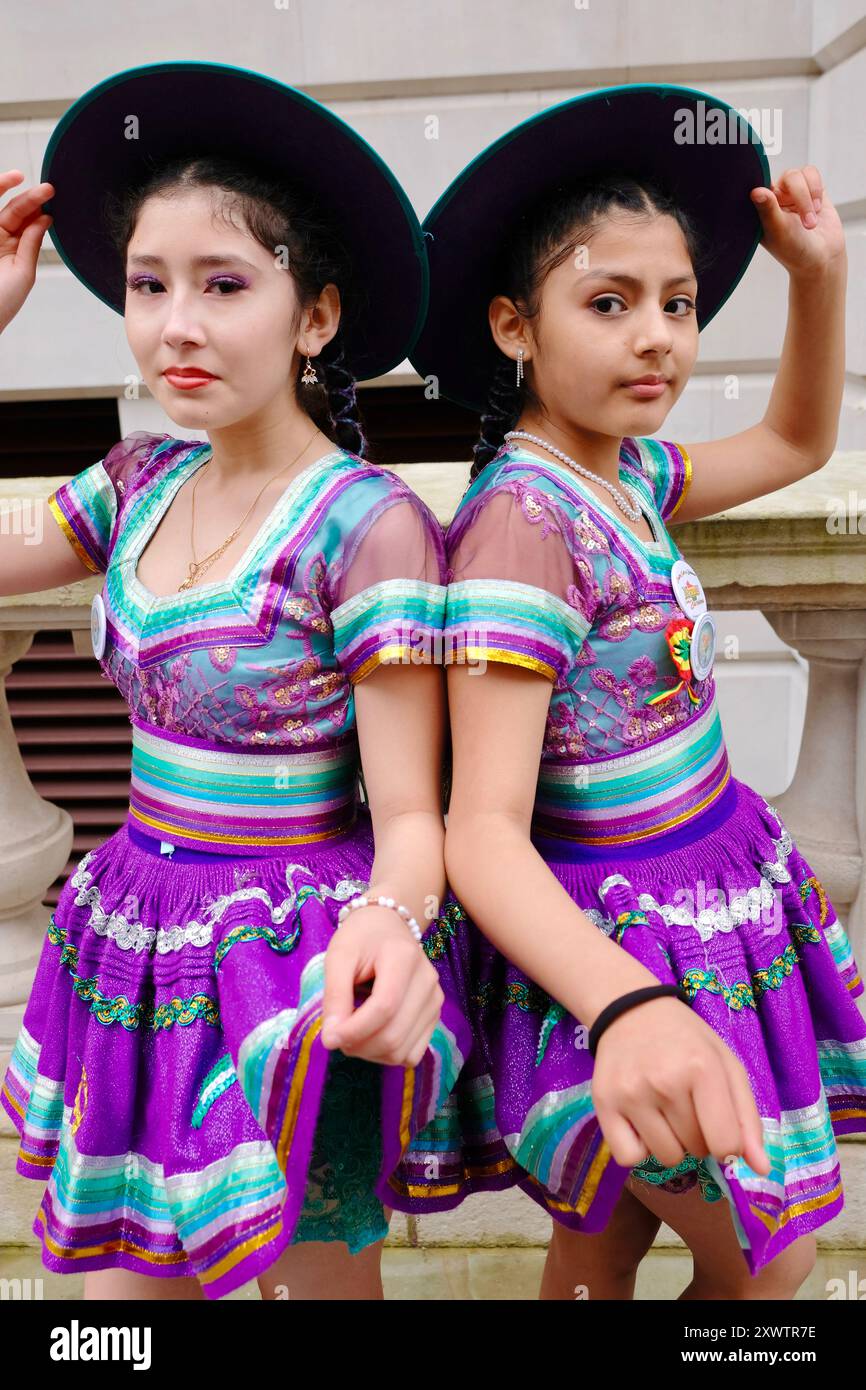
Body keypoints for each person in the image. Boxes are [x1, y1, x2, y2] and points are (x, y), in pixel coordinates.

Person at [0, 61, 472, 1302]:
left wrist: (390, 920)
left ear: (313, 316)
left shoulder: (361, 527)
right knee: (116, 1308)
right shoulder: (136, 480)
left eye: (224, 285)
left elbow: (413, 815)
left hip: (293, 971)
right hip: (134, 946)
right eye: (148, 286)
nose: (176, 325)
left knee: (319, 1290)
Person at [397, 84, 866, 1299]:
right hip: (617, 952)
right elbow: (479, 830)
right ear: (514, 327)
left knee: (599, 1242)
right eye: (607, 305)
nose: (655, 335)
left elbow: (796, 442)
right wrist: (623, 1005)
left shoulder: (627, 477)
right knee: (772, 1265)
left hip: (718, 900)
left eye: (676, 304)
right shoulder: (522, 531)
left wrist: (816, 279)